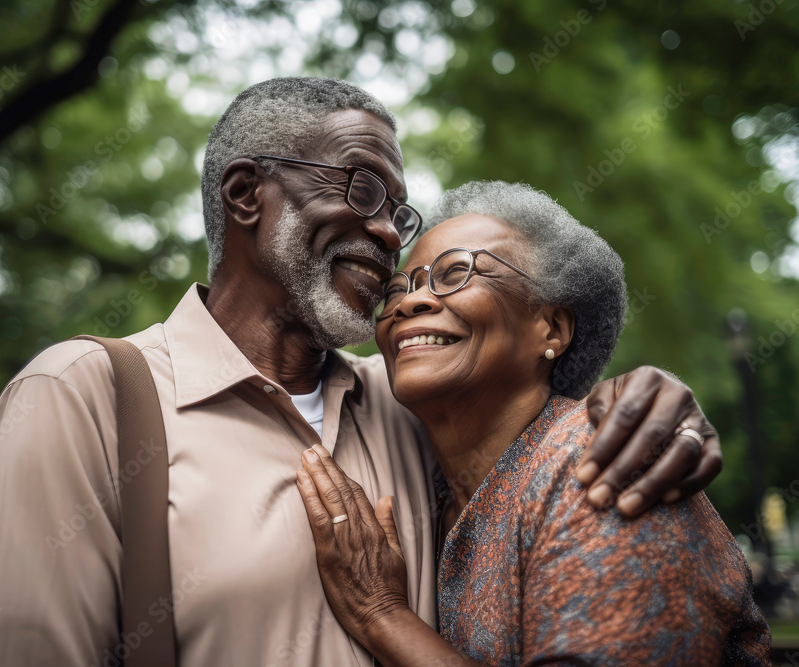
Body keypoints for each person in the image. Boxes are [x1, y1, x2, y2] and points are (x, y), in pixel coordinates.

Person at [0, 79, 725, 667]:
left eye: (400, 211)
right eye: (361, 187)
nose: (389, 233)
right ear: (247, 194)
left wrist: (646, 396)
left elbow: (530, 413)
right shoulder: (85, 398)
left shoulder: (411, 399)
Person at [295, 180, 771, 666]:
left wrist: (383, 616)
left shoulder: (603, 466)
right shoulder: (437, 488)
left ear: (553, 329)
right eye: (399, 288)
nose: (408, 304)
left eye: (456, 272)